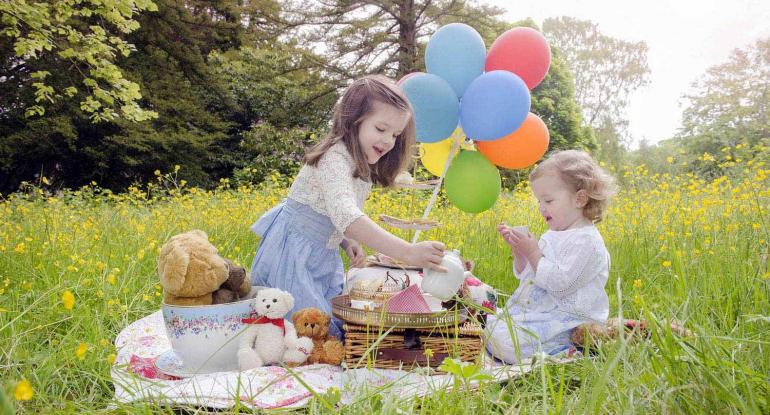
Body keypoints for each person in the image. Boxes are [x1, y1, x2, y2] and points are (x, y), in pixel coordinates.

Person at [249, 75, 446, 338]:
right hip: (293, 254)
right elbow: (346, 214)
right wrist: (407, 252)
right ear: (354, 121)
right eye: (381, 129)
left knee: (331, 323)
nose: (388, 141)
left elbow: (334, 215)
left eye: (395, 135)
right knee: (303, 329)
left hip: (320, 257)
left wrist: (346, 241)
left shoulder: (359, 163)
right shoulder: (334, 158)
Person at [486, 150, 617, 362]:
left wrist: (533, 252)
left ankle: (569, 350)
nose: (541, 208)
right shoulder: (553, 234)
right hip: (543, 313)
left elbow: (560, 284)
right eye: (539, 201)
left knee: (506, 342)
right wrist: (520, 252)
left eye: (548, 200)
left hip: (568, 322)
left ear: (580, 198)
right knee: (489, 323)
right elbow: (531, 276)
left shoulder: (587, 242)